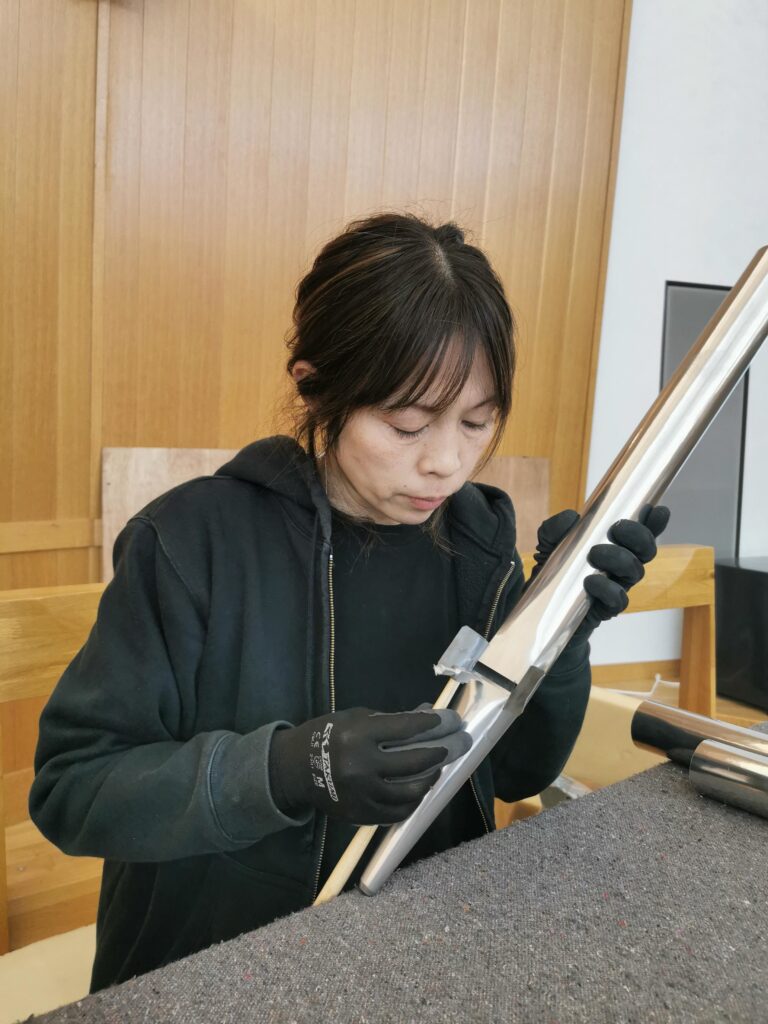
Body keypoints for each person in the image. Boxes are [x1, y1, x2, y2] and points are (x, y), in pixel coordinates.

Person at [29, 212, 669, 992]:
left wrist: (560, 630)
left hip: (418, 960)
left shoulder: (479, 545)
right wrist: (288, 770)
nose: (447, 464)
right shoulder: (192, 543)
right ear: (315, 387)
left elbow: (516, 774)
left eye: (477, 421)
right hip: (212, 974)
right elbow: (73, 790)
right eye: (406, 425)